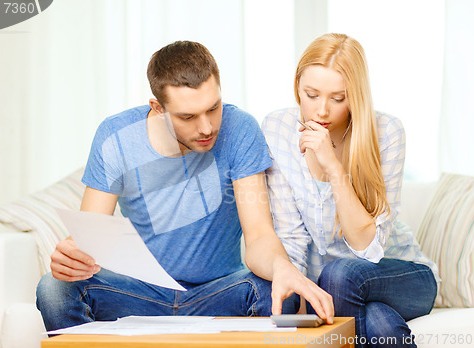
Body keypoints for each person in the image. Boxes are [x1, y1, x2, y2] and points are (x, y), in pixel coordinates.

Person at [36, 40, 334, 331]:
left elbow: (258, 236)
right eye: (187, 117)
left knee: (280, 287)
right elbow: (91, 238)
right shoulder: (115, 136)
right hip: (139, 294)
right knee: (54, 289)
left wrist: (283, 267)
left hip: (218, 292)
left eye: (213, 108)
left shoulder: (241, 128)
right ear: (157, 107)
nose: (206, 128)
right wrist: (72, 257)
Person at [261, 33, 439, 347]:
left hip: (403, 275)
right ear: (297, 87)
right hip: (339, 290)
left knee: (340, 274)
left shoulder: (387, 132)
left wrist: (333, 167)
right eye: (311, 94)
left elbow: (368, 248)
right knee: (376, 321)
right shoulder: (277, 129)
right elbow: (289, 239)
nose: (321, 111)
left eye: (338, 98)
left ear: (355, 96)